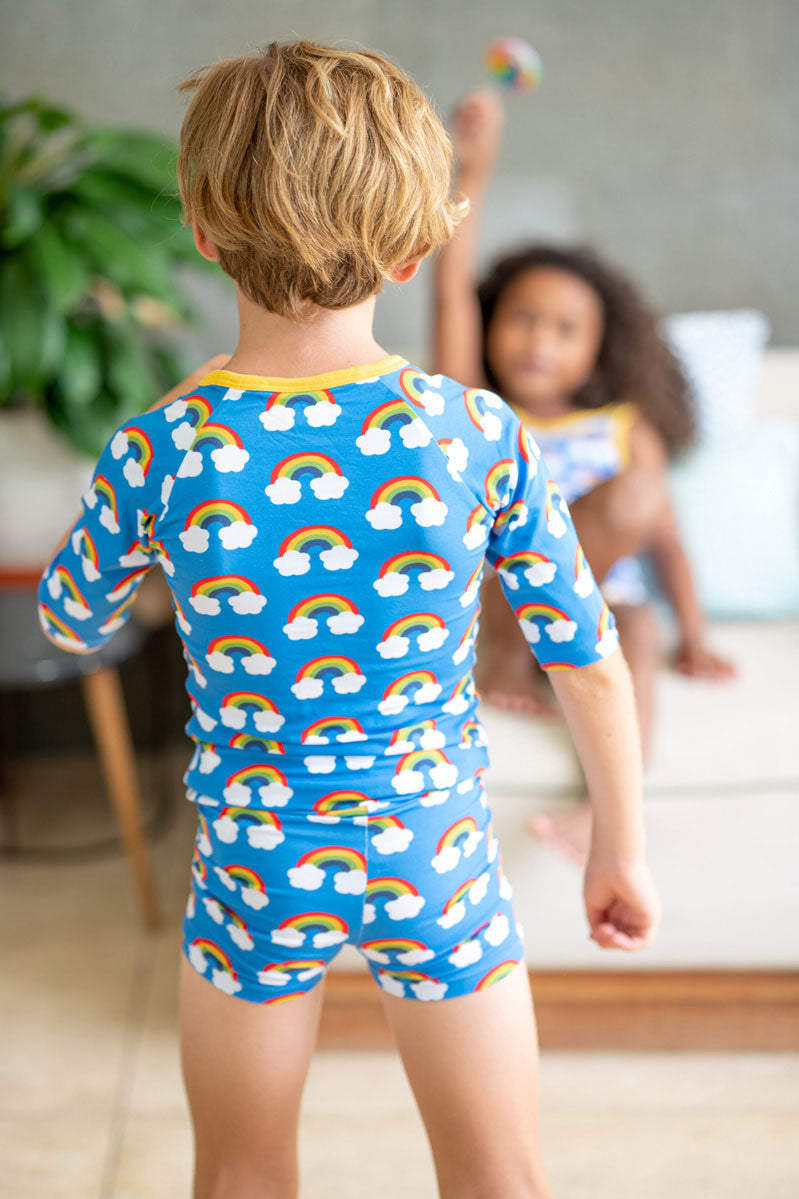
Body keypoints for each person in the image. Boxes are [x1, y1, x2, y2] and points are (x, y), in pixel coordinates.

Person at [38, 42, 660, 1199]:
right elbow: (590, 657)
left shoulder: (167, 442)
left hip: (255, 859)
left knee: (237, 1173)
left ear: (203, 231)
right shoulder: (477, 433)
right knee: (498, 1176)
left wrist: (163, 476)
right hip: (437, 854)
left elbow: (72, 621)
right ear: (420, 251)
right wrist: (619, 844)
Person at [434, 88, 736, 867]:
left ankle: (608, 811)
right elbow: (448, 284)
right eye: (521, 318)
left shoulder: (621, 428)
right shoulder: (480, 410)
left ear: (597, 350)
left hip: (592, 611)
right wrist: (474, 171)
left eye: (564, 329)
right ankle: (503, 651)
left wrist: (694, 635)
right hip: (501, 596)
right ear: (491, 321)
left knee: (635, 616)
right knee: (510, 531)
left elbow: (665, 540)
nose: (538, 341)